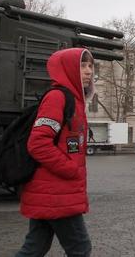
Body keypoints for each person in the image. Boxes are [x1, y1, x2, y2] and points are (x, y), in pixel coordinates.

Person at [16, 48, 94, 257]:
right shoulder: (58, 97)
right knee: (80, 249)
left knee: (34, 249)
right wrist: (69, 168)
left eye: (90, 66)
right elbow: (38, 143)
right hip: (57, 191)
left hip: (51, 191)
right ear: (68, 69)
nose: (88, 72)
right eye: (82, 66)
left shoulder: (75, 100)